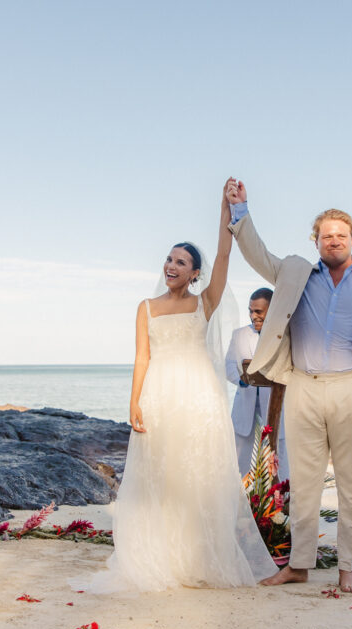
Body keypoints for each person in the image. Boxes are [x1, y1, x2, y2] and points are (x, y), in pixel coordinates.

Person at [76, 179, 276, 592]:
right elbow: (142, 357)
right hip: (160, 395)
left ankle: (198, 557)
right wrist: (134, 402)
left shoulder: (204, 302)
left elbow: (223, 253)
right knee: (160, 478)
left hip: (199, 396)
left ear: (195, 273)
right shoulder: (145, 308)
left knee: (197, 475)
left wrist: (228, 209)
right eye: (168, 259)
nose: (171, 265)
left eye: (181, 262)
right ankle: (161, 556)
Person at [224, 179, 352, 593]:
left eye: (341, 235)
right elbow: (257, 253)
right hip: (303, 388)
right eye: (326, 235)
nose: (334, 240)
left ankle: (349, 568)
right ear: (316, 240)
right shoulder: (294, 271)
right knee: (305, 484)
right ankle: (298, 565)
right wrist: (240, 211)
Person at [224, 287, 289, 480]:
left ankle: (280, 504)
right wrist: (240, 380)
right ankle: (241, 503)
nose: (253, 316)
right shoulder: (239, 335)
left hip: (277, 409)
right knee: (240, 463)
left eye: (258, 311)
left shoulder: (286, 334)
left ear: (272, 309)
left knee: (281, 461)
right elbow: (228, 366)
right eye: (250, 311)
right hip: (245, 408)